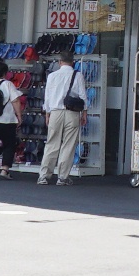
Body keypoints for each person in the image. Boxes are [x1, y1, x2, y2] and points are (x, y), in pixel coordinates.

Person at [38, 53, 88, 185]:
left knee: (51, 143)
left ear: (60, 62)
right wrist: (84, 113)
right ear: (73, 62)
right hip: (72, 113)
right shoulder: (78, 75)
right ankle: (62, 177)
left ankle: (44, 175)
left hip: (55, 112)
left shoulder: (52, 76)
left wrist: (47, 114)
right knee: (69, 145)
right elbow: (83, 96)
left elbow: (47, 97)